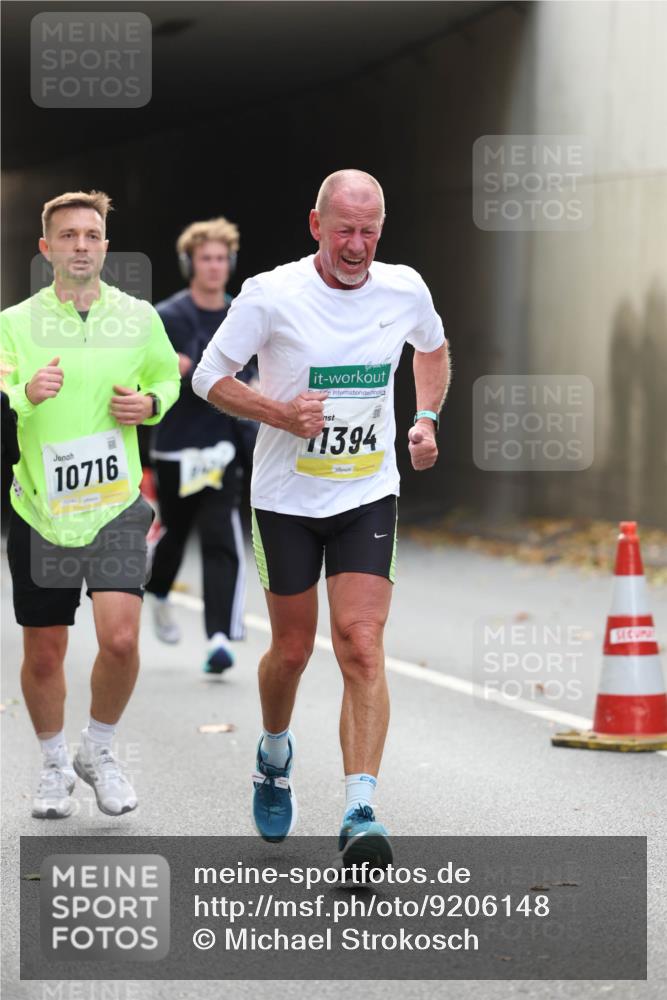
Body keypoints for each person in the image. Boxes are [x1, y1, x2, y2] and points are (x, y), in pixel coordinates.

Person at [193, 169, 449, 867]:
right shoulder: (271, 294)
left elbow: (430, 347)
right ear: (316, 226)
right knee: (293, 651)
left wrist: (424, 417)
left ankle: (360, 808)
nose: (357, 245)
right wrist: (278, 412)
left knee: (360, 644)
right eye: (344, 230)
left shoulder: (404, 288)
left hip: (367, 491)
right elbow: (207, 376)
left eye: (369, 231)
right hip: (286, 498)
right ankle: (274, 753)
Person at [1, 190, 180, 819]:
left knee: (123, 639)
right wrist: (26, 391)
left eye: (92, 234)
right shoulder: (15, 323)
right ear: (46, 248)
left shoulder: (138, 317)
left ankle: (98, 751)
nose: (82, 244)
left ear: (106, 245)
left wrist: (151, 404)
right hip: (41, 511)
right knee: (45, 651)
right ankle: (53, 765)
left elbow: (167, 377)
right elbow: (2, 394)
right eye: (69, 235)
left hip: (114, 505)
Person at [145, 218, 257, 673]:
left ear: (230, 263)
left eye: (220, 258)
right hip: (176, 446)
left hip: (222, 447)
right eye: (204, 258)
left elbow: (255, 369)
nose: (213, 267)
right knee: (175, 531)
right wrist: (170, 366)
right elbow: (147, 371)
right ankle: (157, 590)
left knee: (220, 535)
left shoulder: (243, 313)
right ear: (189, 263)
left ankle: (218, 638)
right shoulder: (168, 316)